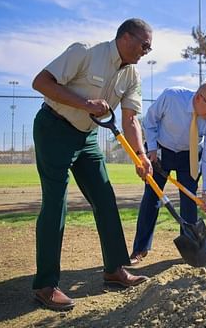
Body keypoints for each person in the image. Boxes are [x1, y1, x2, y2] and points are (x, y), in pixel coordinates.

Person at [30, 18, 152, 311]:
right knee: (56, 204)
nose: (147, 51)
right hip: (53, 129)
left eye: (150, 48)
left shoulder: (133, 75)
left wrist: (142, 154)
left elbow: (130, 118)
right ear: (125, 37)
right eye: (144, 45)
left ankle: (114, 269)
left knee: (105, 198)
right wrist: (85, 104)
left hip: (86, 137)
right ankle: (45, 285)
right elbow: (41, 82)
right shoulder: (84, 52)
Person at [131, 83, 206, 262]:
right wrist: (151, 148)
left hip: (189, 156)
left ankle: (190, 253)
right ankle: (140, 249)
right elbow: (150, 120)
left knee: (189, 201)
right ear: (198, 98)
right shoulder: (171, 97)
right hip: (161, 152)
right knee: (151, 198)